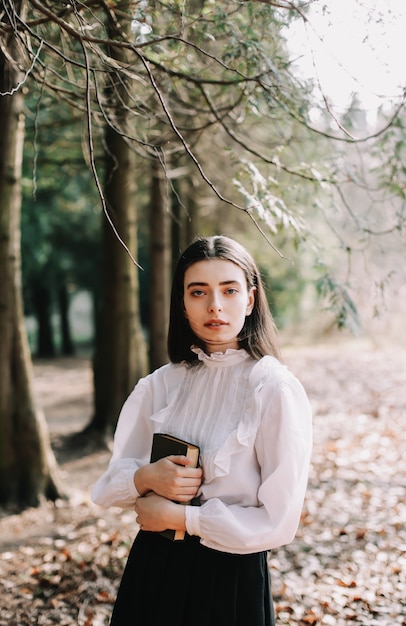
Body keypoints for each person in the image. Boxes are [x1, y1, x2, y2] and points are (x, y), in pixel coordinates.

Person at [92, 235, 312, 626]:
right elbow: (109, 486)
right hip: (153, 569)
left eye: (229, 290)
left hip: (230, 578)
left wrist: (183, 519)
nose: (215, 305)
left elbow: (278, 521)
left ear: (250, 299)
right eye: (198, 292)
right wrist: (145, 476)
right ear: (182, 302)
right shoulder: (160, 385)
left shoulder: (273, 388)